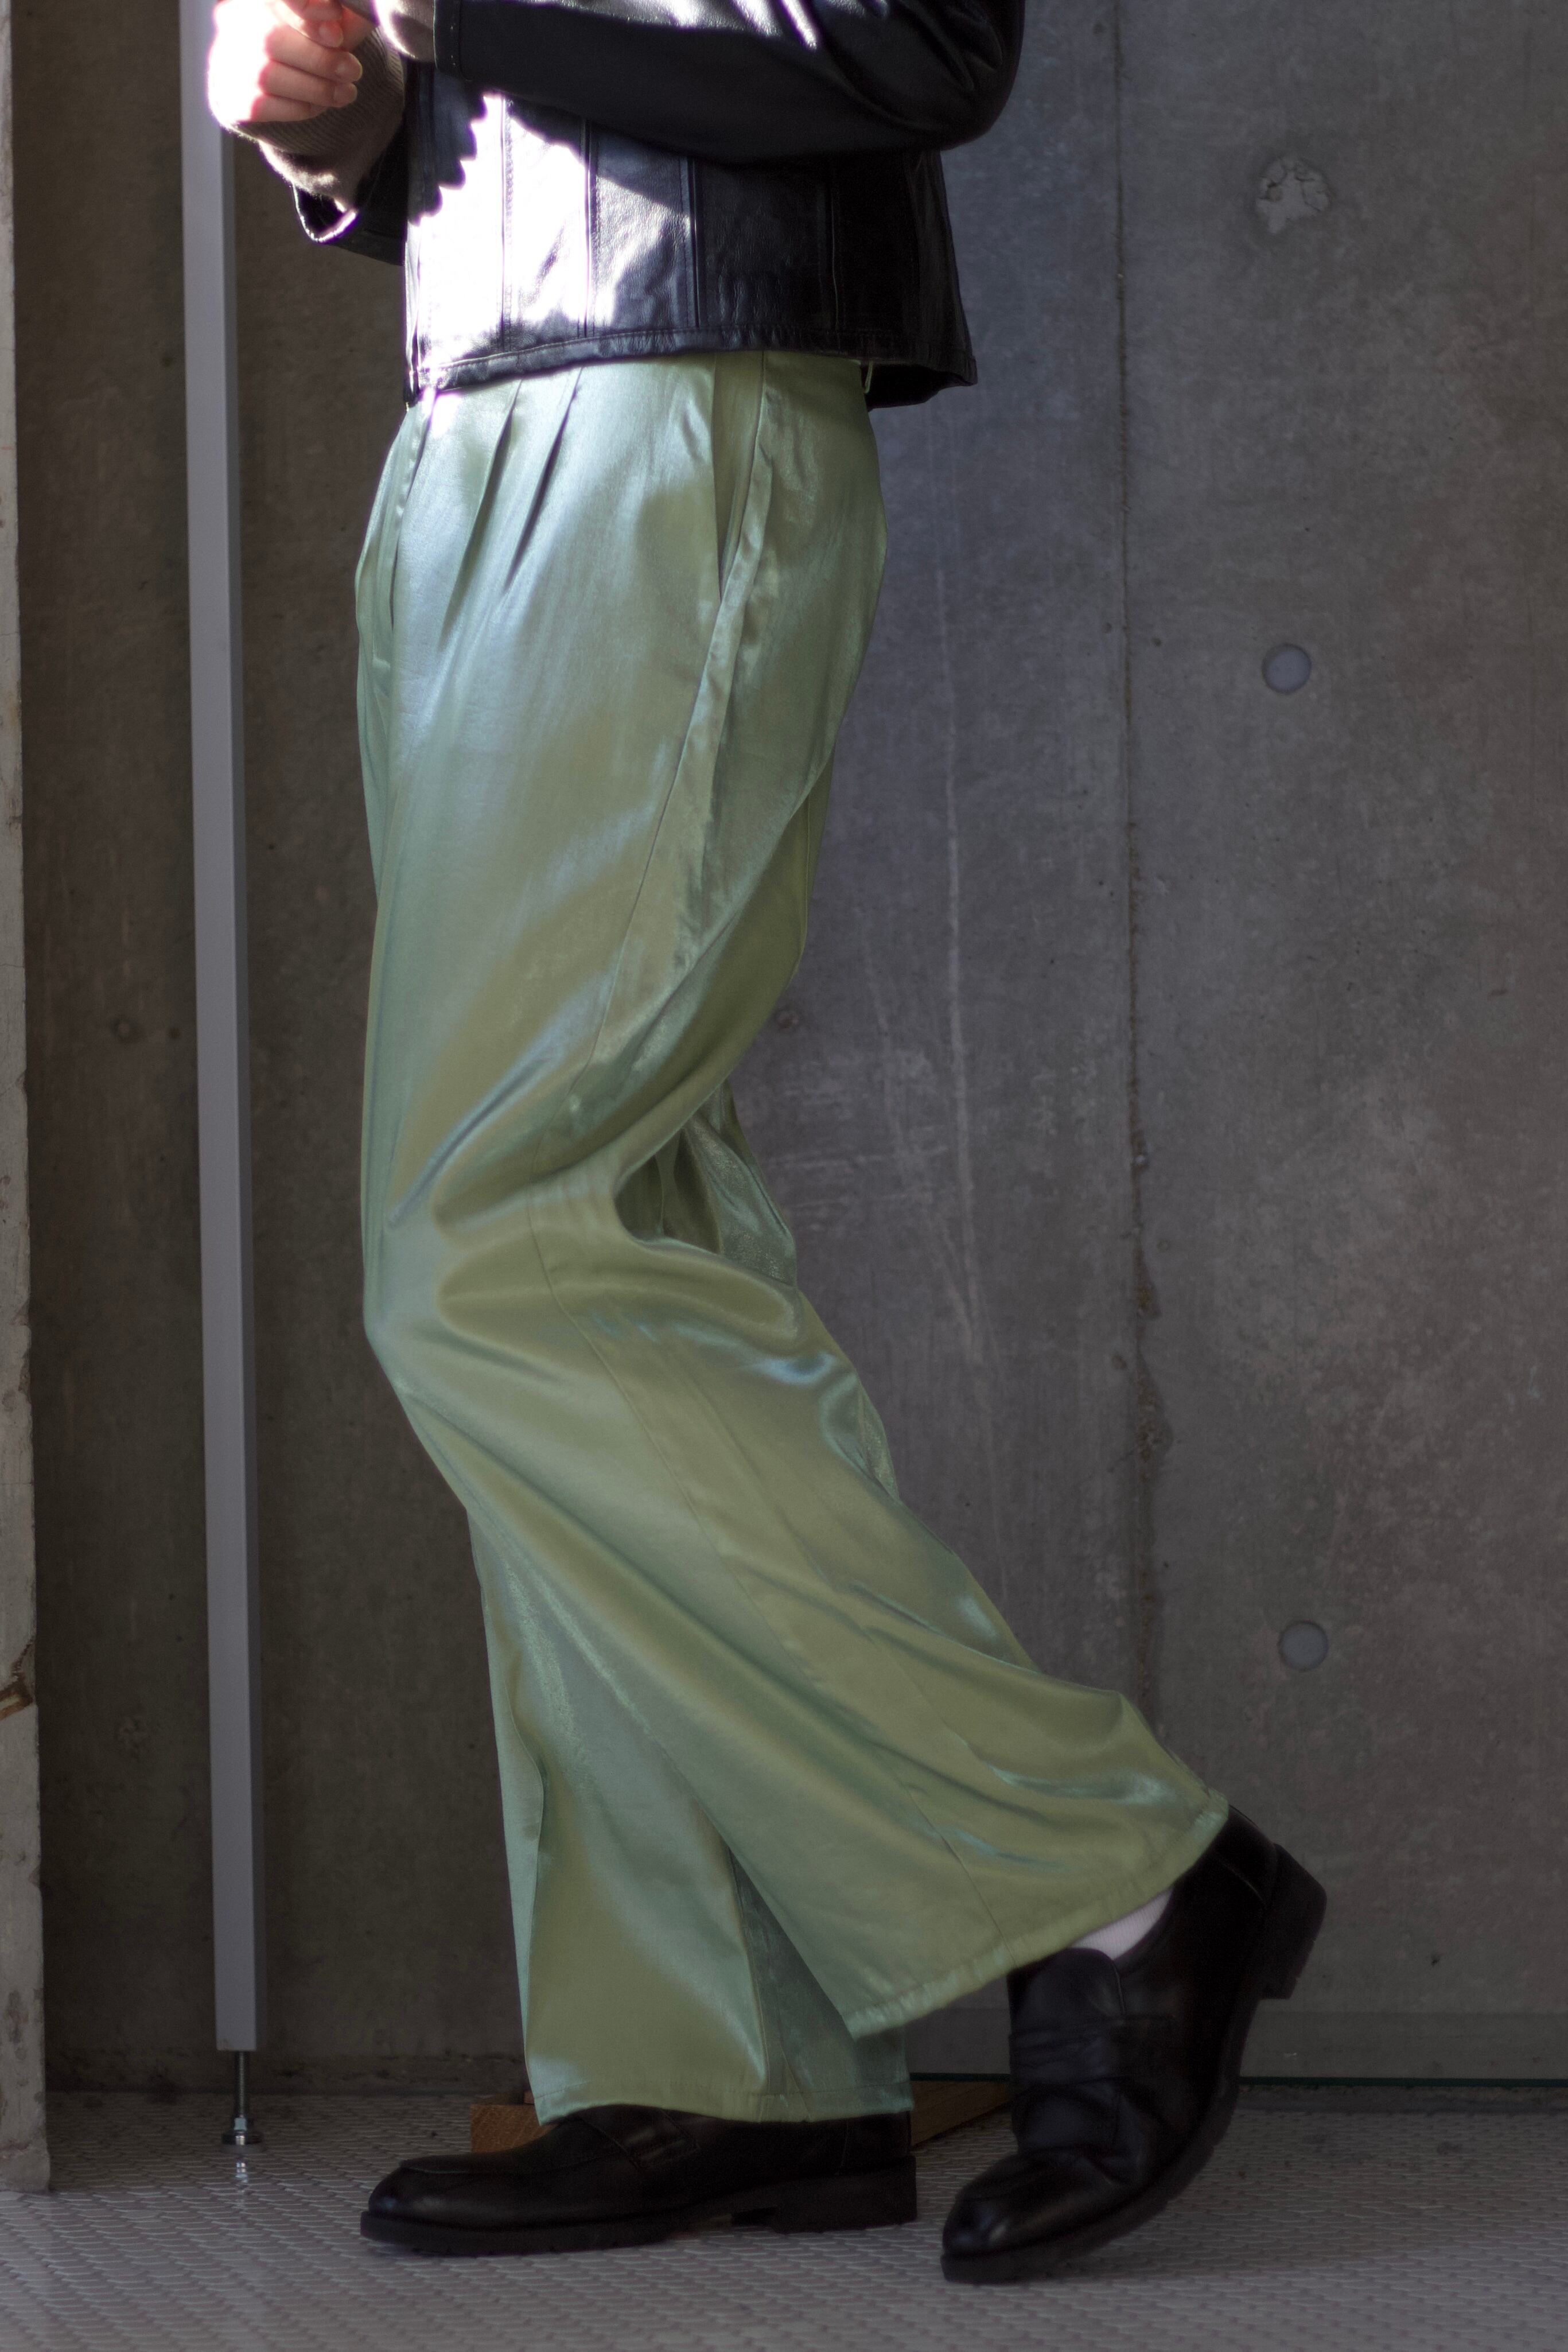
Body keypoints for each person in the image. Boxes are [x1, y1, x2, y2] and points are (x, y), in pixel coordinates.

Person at [207, 0, 1326, 2283]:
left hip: (663, 409)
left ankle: (1120, 1870)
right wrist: (352, 124)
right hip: (483, 410)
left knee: (489, 1253)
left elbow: (910, 40)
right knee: (616, 1230)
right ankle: (714, 2047)